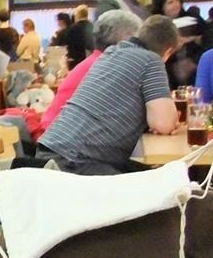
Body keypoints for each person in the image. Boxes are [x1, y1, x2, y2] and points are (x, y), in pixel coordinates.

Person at [35, 15, 178, 175]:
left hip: (52, 151)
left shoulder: (111, 52)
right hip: (76, 162)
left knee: (151, 175)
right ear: (168, 51)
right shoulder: (151, 60)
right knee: (159, 182)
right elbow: (163, 123)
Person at [41, 10, 142, 130]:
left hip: (56, 130)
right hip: (65, 134)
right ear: (125, 40)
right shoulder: (110, 67)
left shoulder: (94, 63)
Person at [150, 0, 206, 88]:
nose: (176, 5)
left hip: (194, 71)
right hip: (167, 74)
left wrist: (192, 40)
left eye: (177, 1)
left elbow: (206, 40)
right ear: (161, 6)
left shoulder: (192, 18)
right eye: (170, 2)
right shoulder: (156, 25)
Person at [63, 4, 94, 70]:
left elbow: (66, 46)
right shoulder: (93, 27)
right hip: (91, 63)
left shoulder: (72, 29)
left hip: (75, 63)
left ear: (77, 15)